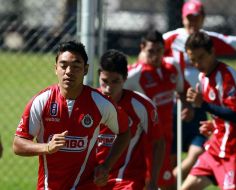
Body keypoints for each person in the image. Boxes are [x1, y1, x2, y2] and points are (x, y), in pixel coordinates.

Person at [12, 41, 131, 190]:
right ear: (56, 69)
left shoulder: (100, 103)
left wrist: (106, 166)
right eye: (63, 65)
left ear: (85, 70)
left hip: (86, 185)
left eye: (76, 66)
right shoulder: (42, 101)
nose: (69, 71)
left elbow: (125, 132)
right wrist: (47, 147)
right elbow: (18, 144)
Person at [162, 0, 236, 180]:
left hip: (200, 105)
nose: (193, 22)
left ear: (203, 18)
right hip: (174, 106)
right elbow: (150, 52)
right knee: (170, 157)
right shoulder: (170, 39)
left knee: (196, 152)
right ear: (182, 18)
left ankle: (168, 182)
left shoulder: (208, 41)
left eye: (197, 18)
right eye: (189, 18)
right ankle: (169, 182)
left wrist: (201, 104)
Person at [182, 31, 236, 190]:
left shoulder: (228, 77)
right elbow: (222, 113)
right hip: (216, 147)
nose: (197, 64)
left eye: (201, 57)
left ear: (212, 52)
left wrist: (203, 105)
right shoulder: (202, 78)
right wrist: (214, 125)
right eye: (193, 60)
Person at [124, 30, 193, 190]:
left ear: (164, 49)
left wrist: (187, 106)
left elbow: (182, 90)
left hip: (166, 138)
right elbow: (109, 91)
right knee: (148, 183)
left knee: (165, 183)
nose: (155, 56)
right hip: (143, 141)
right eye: (150, 51)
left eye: (159, 51)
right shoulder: (135, 74)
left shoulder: (172, 67)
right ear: (142, 48)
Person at [96, 49, 165, 190]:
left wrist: (152, 181)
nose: (108, 88)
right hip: (92, 178)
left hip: (126, 180)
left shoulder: (142, 106)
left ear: (125, 78)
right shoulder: (88, 102)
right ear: (98, 75)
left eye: (115, 81)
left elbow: (158, 142)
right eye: (104, 81)